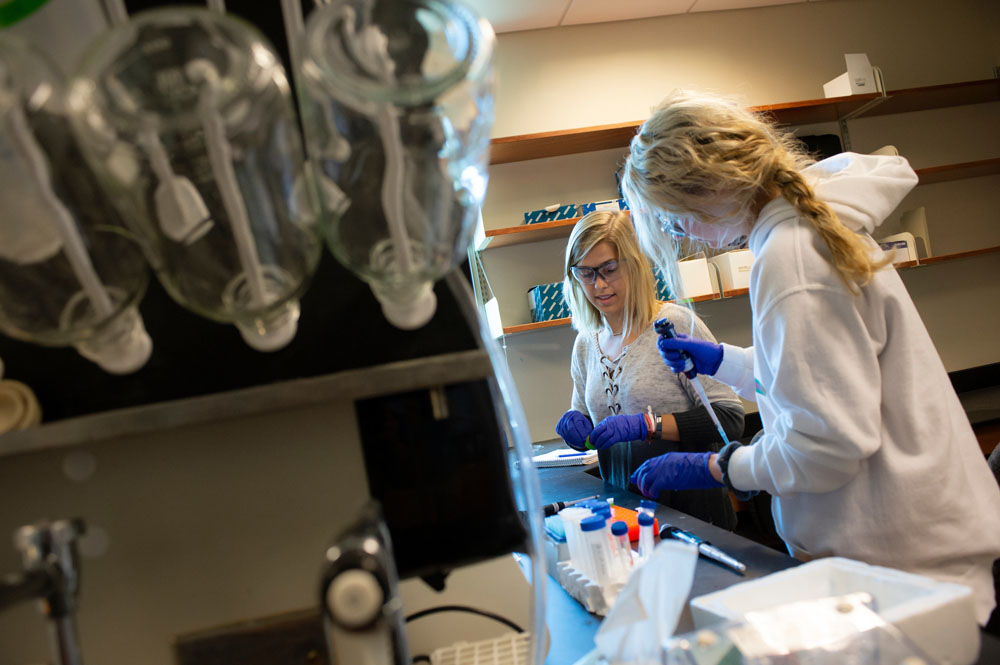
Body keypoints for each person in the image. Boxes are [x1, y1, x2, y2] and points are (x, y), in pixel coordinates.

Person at [619, 89, 1000, 623]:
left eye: (673, 216)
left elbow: (826, 445)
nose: (679, 233)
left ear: (706, 188)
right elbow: (828, 379)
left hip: (905, 574)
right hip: (908, 559)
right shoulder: (806, 227)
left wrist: (721, 465)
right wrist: (724, 361)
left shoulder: (791, 257)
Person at [554, 210, 744, 528]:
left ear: (634, 264)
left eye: (608, 269)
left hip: (692, 514)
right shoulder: (586, 343)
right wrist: (577, 431)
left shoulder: (674, 325)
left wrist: (648, 425)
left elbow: (729, 419)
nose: (598, 284)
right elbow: (588, 423)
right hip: (624, 515)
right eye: (585, 273)